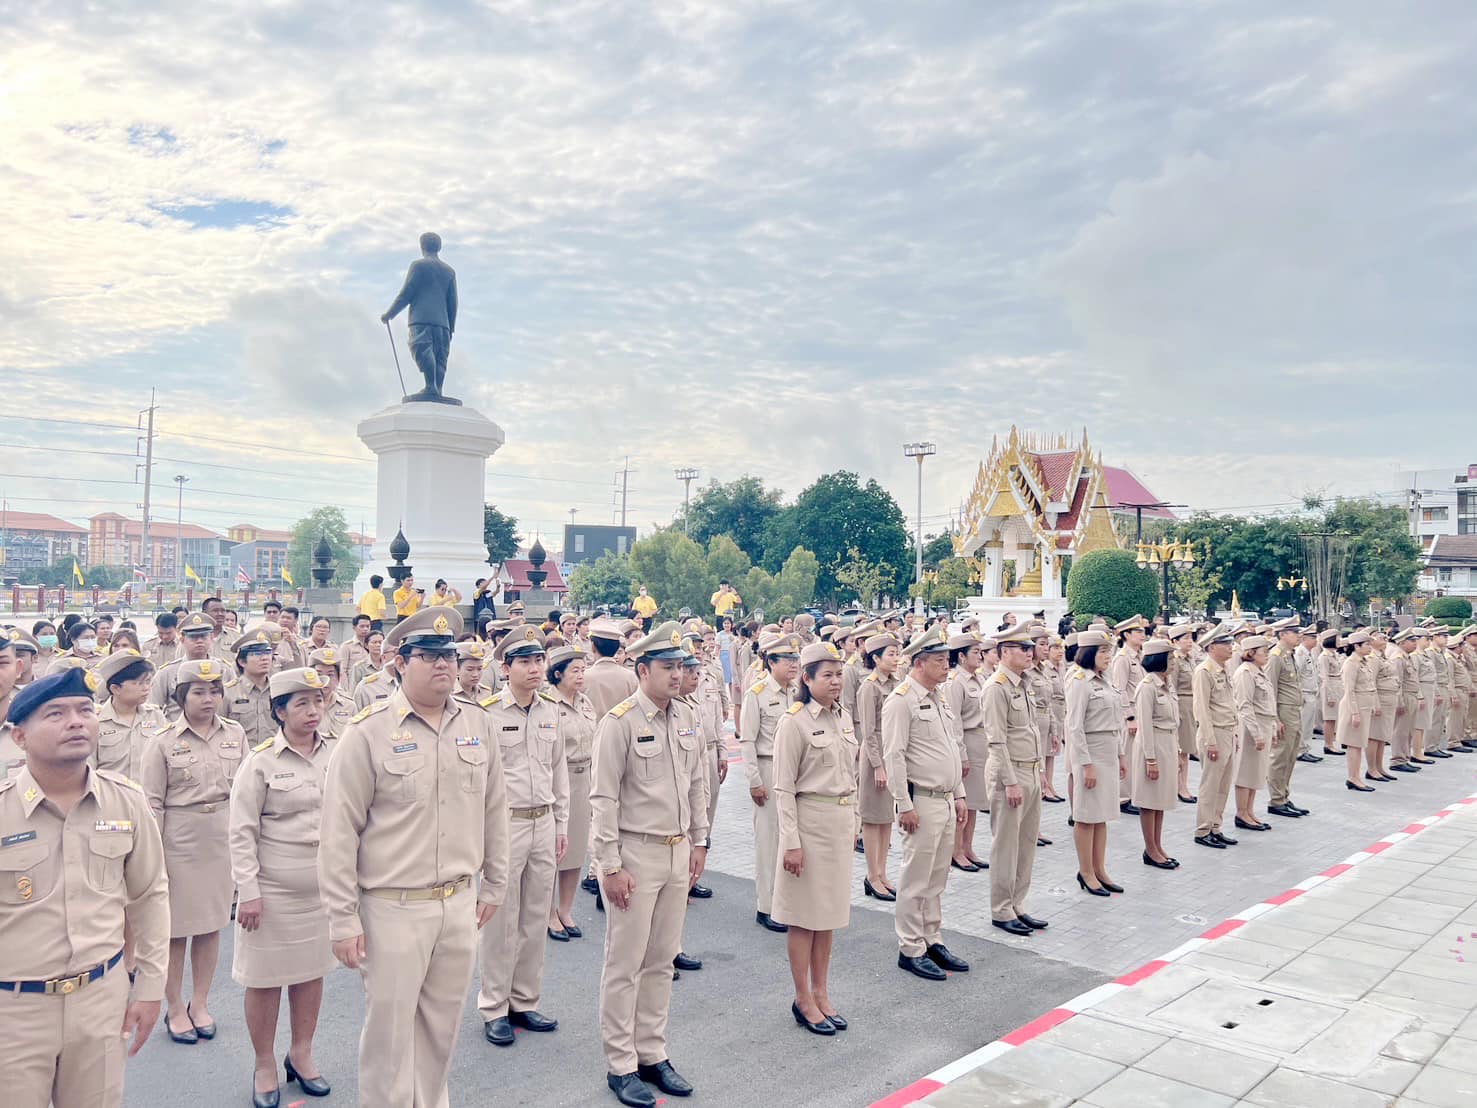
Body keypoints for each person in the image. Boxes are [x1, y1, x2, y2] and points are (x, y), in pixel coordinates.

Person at [318, 606, 510, 1108]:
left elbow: (495, 808)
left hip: (458, 903)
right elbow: (339, 833)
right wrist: (342, 919)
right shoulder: (367, 732)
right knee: (389, 1035)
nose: (443, 664)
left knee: (441, 1029)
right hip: (392, 907)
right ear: (400, 662)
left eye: (449, 654)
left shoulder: (478, 723)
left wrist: (494, 884)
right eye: (428, 655)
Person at [0, 668, 170, 1108]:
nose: (76, 721)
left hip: (100, 999)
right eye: (55, 713)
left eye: (84, 710)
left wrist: (151, 987)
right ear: (19, 737)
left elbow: (150, 896)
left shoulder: (126, 800)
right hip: (13, 1009)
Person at [591, 621, 709, 1108]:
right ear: (642, 670)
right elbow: (603, 798)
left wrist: (701, 841)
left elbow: (697, 782)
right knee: (625, 963)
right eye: (667, 667)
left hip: (677, 851)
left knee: (661, 960)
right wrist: (610, 865)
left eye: (681, 666)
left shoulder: (686, 717)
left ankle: (652, 1053)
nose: (677, 675)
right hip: (635, 854)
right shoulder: (618, 723)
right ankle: (621, 1063)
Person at [229, 668, 337, 1108]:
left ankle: (302, 1052)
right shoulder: (261, 762)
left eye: (318, 701)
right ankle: (264, 1063)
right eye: (301, 704)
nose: (313, 711)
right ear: (279, 711)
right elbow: (240, 831)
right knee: (265, 981)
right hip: (272, 892)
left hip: (322, 890)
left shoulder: (338, 753)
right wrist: (248, 890)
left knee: (312, 974)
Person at [140, 657, 248, 1044]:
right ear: (182, 696)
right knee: (175, 932)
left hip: (221, 839)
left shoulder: (235, 734)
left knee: (210, 927)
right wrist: (154, 861)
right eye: (199, 692)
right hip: (179, 843)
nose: (208, 699)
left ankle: (199, 1002)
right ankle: (173, 1006)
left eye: (215, 691)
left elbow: (247, 794)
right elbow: (152, 803)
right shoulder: (163, 741)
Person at [477, 627, 569, 1047]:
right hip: (506, 824)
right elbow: (478, 781)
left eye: (538, 662)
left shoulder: (550, 710)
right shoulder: (488, 714)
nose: (535, 669)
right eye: (525, 663)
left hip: (543, 820)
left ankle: (524, 1000)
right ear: (505, 668)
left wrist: (562, 823)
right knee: (500, 920)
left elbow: (559, 772)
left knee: (535, 916)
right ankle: (494, 1005)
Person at [772, 641, 858, 1035]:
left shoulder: (842, 717)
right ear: (806, 678)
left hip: (838, 825)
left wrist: (854, 820)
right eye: (827, 675)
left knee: (829, 917)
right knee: (804, 919)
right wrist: (791, 840)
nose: (836, 681)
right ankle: (802, 997)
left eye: (839, 674)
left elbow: (850, 777)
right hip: (808, 826)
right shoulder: (795, 722)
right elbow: (784, 787)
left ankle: (823, 993)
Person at [883, 625, 969, 979]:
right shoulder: (901, 700)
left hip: (946, 799)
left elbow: (951, 747)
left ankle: (932, 938)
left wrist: (960, 793)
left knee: (937, 877)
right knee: (916, 878)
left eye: (946, 659)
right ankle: (911, 946)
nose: (946, 665)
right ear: (919, 663)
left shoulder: (940, 697)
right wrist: (904, 804)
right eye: (939, 660)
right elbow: (894, 756)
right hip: (922, 801)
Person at [982, 622, 1048, 933]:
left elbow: (1030, 730)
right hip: (1011, 773)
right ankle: (1001, 908)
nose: (1030, 652)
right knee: (1006, 845)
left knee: (1026, 843)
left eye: (1030, 647)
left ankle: (1017, 903)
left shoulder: (1023, 683)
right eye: (1024, 648)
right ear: (1005, 652)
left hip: (1031, 769)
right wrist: (1009, 781)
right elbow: (996, 740)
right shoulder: (996, 687)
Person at [742, 632, 801, 931]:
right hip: (767, 768)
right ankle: (766, 907)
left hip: (794, 774)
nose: (794, 664)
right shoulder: (757, 694)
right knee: (768, 841)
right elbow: (748, 740)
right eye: (787, 659)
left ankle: (786, 902)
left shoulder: (798, 692)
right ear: (771, 662)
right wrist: (754, 780)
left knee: (791, 838)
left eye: (795, 659)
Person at [1064, 629, 1124, 896]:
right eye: (1102, 651)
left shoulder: (1104, 680)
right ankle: (1085, 871)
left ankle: (1100, 869)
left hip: (1108, 751)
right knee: (1087, 816)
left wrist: (1121, 755)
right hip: (1090, 753)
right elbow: (1074, 727)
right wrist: (1085, 764)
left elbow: (1116, 721)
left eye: (1109, 651)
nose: (1108, 656)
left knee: (1102, 816)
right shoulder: (1079, 681)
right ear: (1089, 653)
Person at [548, 644, 597, 940]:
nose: (580, 676)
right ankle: (548, 912)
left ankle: (566, 909)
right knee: (553, 851)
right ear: (557, 673)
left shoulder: (586, 703)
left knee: (576, 850)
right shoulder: (546, 703)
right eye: (574, 670)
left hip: (584, 780)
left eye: (582, 670)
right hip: (558, 779)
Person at [855, 631, 901, 899]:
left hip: (891, 754)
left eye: (897, 653)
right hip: (875, 757)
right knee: (872, 820)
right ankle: (872, 875)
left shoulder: (896, 683)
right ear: (876, 658)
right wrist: (878, 766)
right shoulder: (869, 686)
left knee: (886, 818)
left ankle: (882, 872)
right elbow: (868, 732)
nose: (896, 659)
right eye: (891, 654)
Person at [943, 631, 989, 872]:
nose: (980, 656)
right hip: (967, 743)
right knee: (962, 802)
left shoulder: (978, 679)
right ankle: (956, 850)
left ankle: (968, 847)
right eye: (974, 652)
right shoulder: (955, 682)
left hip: (981, 744)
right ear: (961, 656)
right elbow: (955, 722)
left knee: (974, 802)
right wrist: (961, 754)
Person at [1132, 639, 1179, 869]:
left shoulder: (1166, 683)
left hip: (1167, 743)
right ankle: (1150, 849)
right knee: (1150, 801)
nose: (1173, 662)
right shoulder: (1147, 686)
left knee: (1160, 800)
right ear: (1158, 659)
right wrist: (1150, 759)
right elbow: (1145, 724)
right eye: (1170, 658)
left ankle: (1158, 845)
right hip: (1153, 746)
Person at [1192, 624, 1240, 849]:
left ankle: (1216, 826)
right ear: (1212, 647)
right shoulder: (1204, 671)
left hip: (1227, 731)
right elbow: (1202, 709)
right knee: (1210, 784)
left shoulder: (1223, 669)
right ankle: (1203, 830)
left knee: (1223, 784)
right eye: (1226, 644)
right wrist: (1210, 741)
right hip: (1214, 734)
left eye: (1231, 643)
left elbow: (1228, 704)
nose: (1231, 647)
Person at [691, 628, 730, 899]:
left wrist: (724, 753)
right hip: (692, 755)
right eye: (692, 648)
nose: (698, 652)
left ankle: (695, 876)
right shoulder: (680, 684)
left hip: (712, 749)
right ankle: (683, 878)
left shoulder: (710, 676)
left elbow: (718, 720)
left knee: (707, 817)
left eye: (699, 648)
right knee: (691, 817)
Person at [94, 649, 165, 779]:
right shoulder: (96, 722)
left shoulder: (155, 716)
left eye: (148, 681)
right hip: (112, 796)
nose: (146, 688)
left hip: (149, 797)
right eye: (138, 683)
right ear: (115, 689)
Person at [1264, 619, 1310, 818]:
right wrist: (1274, 719)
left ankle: (1283, 795)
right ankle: (1276, 799)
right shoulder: (1275, 656)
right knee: (1280, 756)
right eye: (1294, 632)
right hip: (1283, 711)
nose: (1299, 636)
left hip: (1293, 710)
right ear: (1282, 634)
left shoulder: (1289, 655)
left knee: (1291, 755)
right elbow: (1270, 689)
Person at [1231, 635, 1276, 831]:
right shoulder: (1245, 673)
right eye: (1263, 651)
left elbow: (1268, 703)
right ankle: (1241, 813)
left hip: (1263, 724)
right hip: (1251, 727)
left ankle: (1249, 811)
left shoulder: (1259, 671)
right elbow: (1245, 705)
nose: (1266, 654)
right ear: (1251, 653)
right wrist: (1256, 733)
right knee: (1245, 771)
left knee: (1257, 771)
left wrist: (1271, 728)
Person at [1109, 616, 1146, 816]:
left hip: (1139, 710)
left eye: (1142, 631)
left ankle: (1132, 795)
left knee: (1136, 756)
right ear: (1126, 635)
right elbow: (1119, 688)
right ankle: (1123, 797)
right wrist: (1129, 716)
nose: (1142, 635)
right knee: (1128, 756)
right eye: (1137, 632)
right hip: (1130, 712)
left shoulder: (1138, 656)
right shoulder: (1123, 658)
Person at [227, 624, 281, 747]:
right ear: (242, 661)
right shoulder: (228, 692)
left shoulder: (279, 690)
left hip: (273, 758)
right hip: (241, 758)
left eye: (267, 653)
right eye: (257, 654)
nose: (265, 658)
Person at [1338, 631, 1378, 791]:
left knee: (1359, 744)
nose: (1370, 647)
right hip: (1355, 708)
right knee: (1354, 745)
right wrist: (1355, 713)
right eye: (1367, 644)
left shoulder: (1363, 662)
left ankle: (1355, 777)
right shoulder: (1351, 663)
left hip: (1364, 707)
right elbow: (1350, 690)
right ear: (1356, 646)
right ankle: (1353, 778)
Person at [586, 618, 640, 717]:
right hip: (624, 731)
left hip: (594, 731)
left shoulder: (583, 678)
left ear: (593, 646)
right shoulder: (632, 677)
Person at [1366, 628, 1400, 781]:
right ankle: (1371, 769)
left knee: (1382, 736)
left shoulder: (1382, 656)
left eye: (1386, 638)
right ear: (1372, 640)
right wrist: (1375, 703)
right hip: (1380, 699)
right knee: (1374, 736)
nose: (1385, 640)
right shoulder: (1373, 658)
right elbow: (1371, 682)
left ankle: (1379, 767)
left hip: (1389, 700)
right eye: (1381, 637)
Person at [1318, 628, 1345, 756]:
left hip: (1337, 687)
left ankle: (1332, 743)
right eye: (1337, 638)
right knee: (1329, 718)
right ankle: (1328, 745)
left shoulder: (1334, 654)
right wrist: (1329, 695)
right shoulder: (1324, 657)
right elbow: (1324, 677)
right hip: (1330, 688)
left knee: (1334, 718)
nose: (1339, 641)